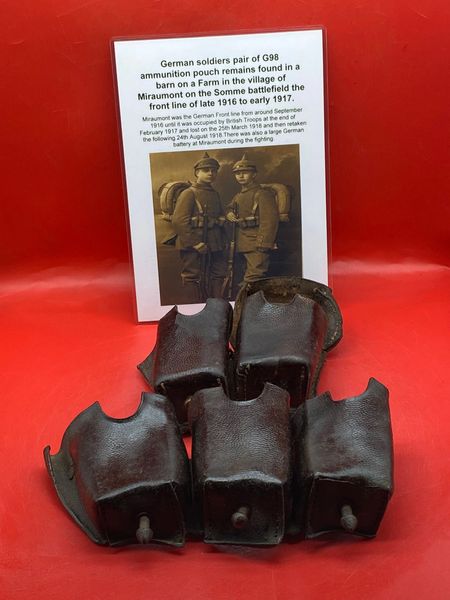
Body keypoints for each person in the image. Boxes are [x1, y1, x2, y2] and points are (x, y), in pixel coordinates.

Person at [172, 152, 226, 303]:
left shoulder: (214, 193)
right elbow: (179, 221)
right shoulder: (189, 193)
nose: (211, 173)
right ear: (197, 173)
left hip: (214, 243)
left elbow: (220, 215)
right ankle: (194, 309)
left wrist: (222, 220)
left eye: (214, 170)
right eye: (206, 170)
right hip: (193, 243)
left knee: (217, 273)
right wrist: (195, 243)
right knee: (192, 276)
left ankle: (216, 307)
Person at [226, 154, 279, 283]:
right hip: (241, 244)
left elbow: (270, 222)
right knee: (245, 279)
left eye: (245, 173)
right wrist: (229, 213)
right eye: (237, 173)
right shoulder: (238, 196)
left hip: (257, 244)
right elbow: (229, 207)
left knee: (254, 280)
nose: (241, 176)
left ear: (254, 174)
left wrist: (263, 244)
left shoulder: (263, 194)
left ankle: (251, 303)